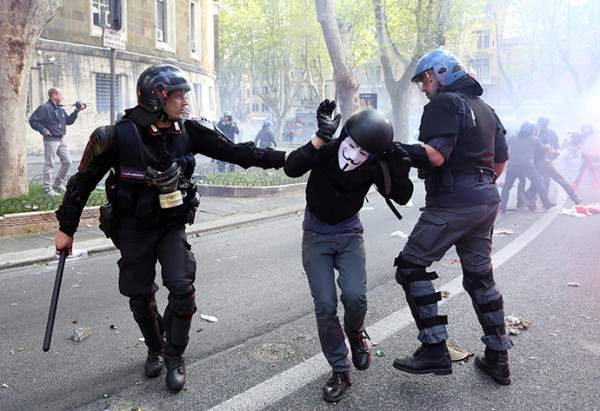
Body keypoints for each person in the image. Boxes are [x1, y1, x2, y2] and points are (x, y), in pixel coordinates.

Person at [53, 64, 286, 392]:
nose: (185, 100)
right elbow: (82, 181)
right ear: (155, 98)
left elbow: (239, 153)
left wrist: (290, 159)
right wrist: (67, 228)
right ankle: (156, 348)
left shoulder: (189, 131)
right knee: (139, 293)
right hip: (132, 229)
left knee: (181, 287)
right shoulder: (114, 137)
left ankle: (175, 355)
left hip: (171, 226)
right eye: (179, 95)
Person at [391, 49, 513, 385]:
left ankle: (434, 349)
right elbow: (500, 164)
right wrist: (477, 187)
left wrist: (392, 149)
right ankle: (498, 357)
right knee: (479, 278)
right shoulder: (487, 110)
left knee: (411, 267)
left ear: (437, 74)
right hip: (486, 199)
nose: (423, 89)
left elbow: (435, 156)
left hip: (452, 201)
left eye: (424, 81)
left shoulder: (444, 104)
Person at [284, 100, 413, 403]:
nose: (353, 156)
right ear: (344, 137)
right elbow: (292, 168)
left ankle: (355, 333)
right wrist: (319, 137)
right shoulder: (327, 150)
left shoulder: (372, 167)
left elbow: (402, 196)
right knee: (325, 305)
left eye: (363, 152)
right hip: (315, 235)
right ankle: (340, 369)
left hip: (348, 234)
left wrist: (400, 170)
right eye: (352, 146)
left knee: (356, 296)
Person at [29, 88, 87, 195]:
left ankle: (57, 184)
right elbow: (33, 120)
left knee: (67, 161)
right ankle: (47, 188)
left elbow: (69, 121)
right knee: (50, 163)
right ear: (54, 95)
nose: (62, 97)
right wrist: (43, 130)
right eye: (60, 95)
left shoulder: (60, 109)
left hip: (61, 139)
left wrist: (76, 111)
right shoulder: (44, 108)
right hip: (50, 140)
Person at [500, 122, 556, 213]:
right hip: (527, 166)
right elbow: (542, 149)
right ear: (532, 131)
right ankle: (546, 203)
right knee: (539, 182)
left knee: (506, 187)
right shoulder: (534, 139)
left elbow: (504, 148)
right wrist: (548, 147)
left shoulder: (512, 138)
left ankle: (502, 206)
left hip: (512, 166)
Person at [525, 117, 581, 206]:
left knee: (541, 181)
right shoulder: (536, 134)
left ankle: (531, 199)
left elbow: (556, 146)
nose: (543, 126)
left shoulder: (543, 133)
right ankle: (572, 196)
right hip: (541, 160)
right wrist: (550, 151)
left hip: (543, 160)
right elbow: (537, 147)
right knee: (552, 179)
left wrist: (554, 153)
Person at [572, 124, 600, 191]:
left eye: (584, 129)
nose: (583, 130)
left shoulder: (592, 135)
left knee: (582, 169)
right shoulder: (586, 135)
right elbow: (580, 143)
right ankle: (597, 183)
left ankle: (576, 184)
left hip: (591, 155)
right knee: (591, 170)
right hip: (589, 155)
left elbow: (589, 144)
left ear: (589, 128)